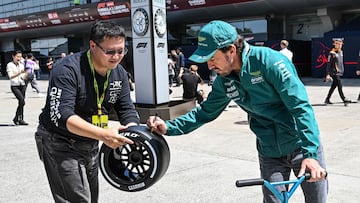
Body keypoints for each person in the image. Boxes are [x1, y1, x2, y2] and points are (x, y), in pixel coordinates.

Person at [147, 20, 327, 203]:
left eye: (212, 58)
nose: (209, 66)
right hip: (269, 151)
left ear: (231, 50)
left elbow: (300, 107)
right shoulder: (223, 82)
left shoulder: (270, 62)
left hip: (301, 145)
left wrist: (310, 154)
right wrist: (169, 127)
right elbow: (204, 113)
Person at [35, 21, 140, 202]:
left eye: (121, 51)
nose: (116, 57)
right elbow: (61, 115)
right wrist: (104, 135)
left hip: (91, 140)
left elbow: (126, 108)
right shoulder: (67, 69)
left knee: (91, 199)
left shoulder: (119, 73)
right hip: (60, 142)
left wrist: (134, 132)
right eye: (110, 51)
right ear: (93, 45)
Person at [324, 38, 351, 105]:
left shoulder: (341, 52)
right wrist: (328, 74)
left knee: (333, 86)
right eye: (337, 44)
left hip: (339, 72)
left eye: (340, 44)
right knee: (339, 85)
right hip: (334, 72)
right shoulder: (332, 53)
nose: (339, 45)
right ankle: (344, 99)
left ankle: (327, 99)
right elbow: (329, 64)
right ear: (334, 44)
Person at [6, 50, 29, 125]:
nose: (19, 58)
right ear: (13, 56)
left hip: (22, 85)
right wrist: (20, 72)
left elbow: (23, 76)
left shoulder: (21, 64)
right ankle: (16, 118)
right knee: (22, 101)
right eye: (17, 56)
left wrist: (26, 75)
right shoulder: (10, 65)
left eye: (20, 56)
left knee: (21, 103)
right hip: (14, 86)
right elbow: (11, 76)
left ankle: (20, 119)